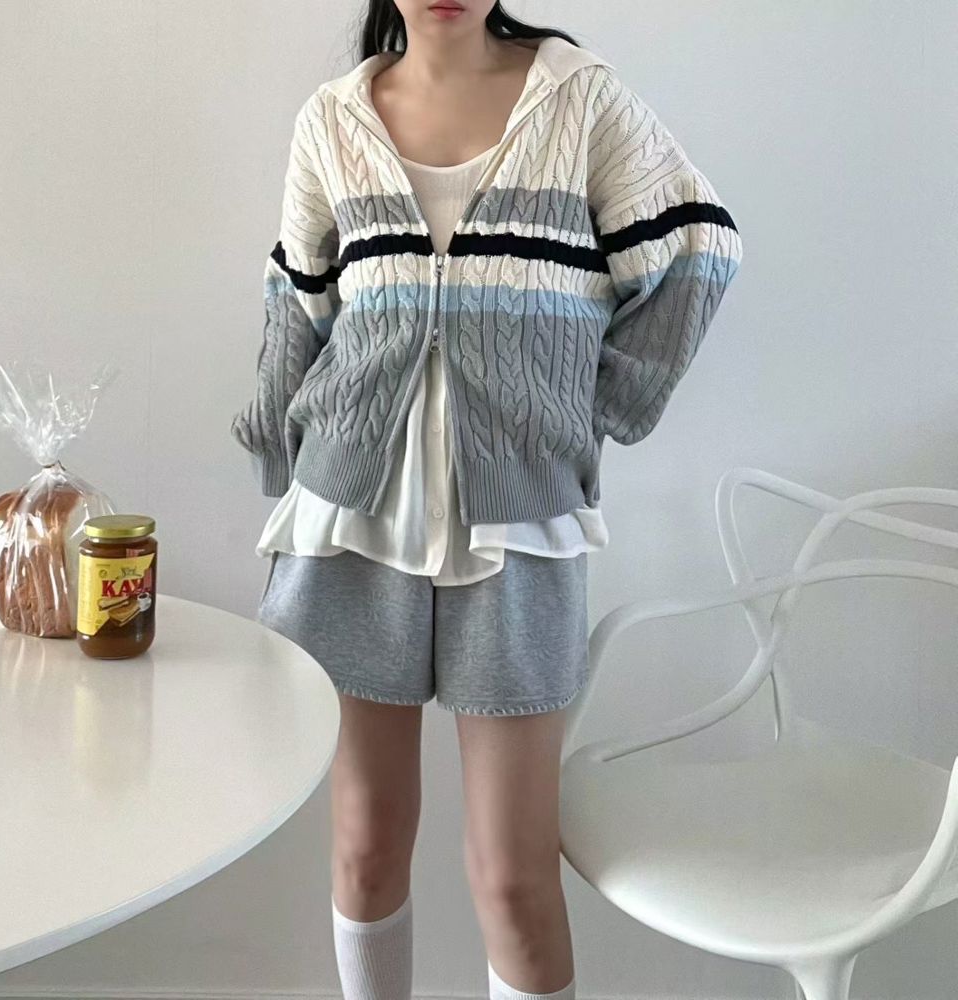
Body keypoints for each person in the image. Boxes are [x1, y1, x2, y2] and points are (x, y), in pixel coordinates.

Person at [231, 2, 744, 997]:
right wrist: (277, 453)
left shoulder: (578, 99)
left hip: (518, 528)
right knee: (365, 846)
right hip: (352, 520)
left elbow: (698, 250)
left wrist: (587, 410)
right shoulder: (332, 119)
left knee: (513, 878)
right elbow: (295, 304)